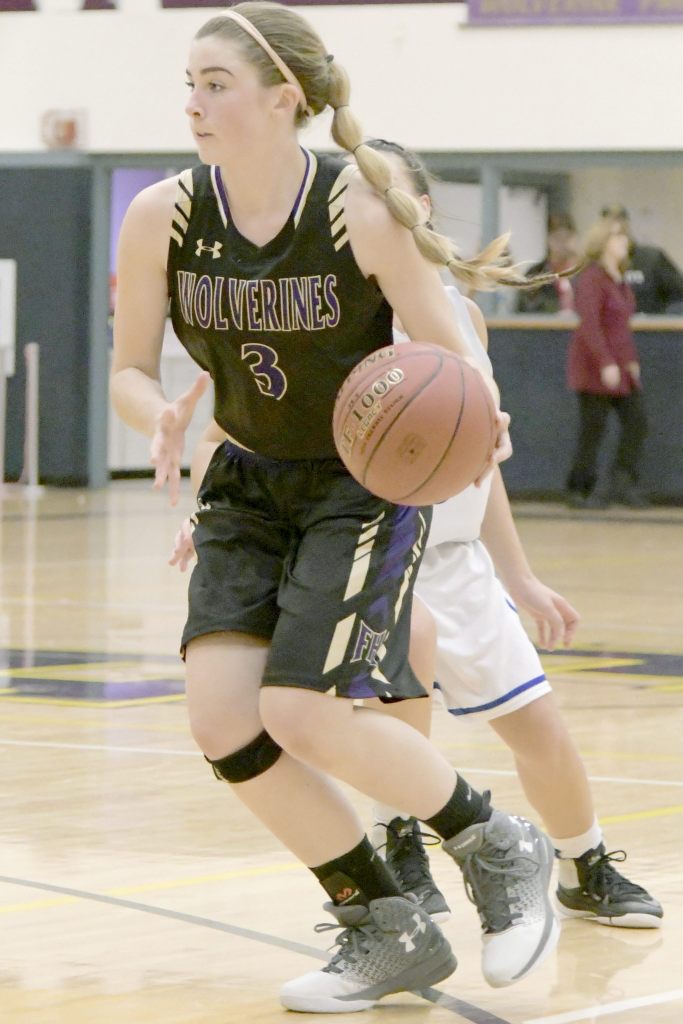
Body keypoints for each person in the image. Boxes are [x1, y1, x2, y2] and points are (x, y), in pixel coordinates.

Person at [110, 3, 563, 1012]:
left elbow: (446, 344)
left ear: (285, 99)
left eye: (214, 83)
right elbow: (129, 369)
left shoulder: (356, 204)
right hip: (244, 480)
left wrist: (470, 414)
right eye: (188, 81)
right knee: (225, 723)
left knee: (298, 707)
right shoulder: (162, 218)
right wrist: (159, 420)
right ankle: (383, 920)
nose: (192, 101)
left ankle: (498, 843)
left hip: (356, 483)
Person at [355, 140, 662, 932]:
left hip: (454, 559)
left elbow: (480, 466)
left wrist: (518, 575)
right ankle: (401, 856)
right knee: (401, 725)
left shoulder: (457, 315)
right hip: (375, 552)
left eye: (375, 195)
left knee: (540, 726)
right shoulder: (334, 320)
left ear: (416, 209)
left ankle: (583, 865)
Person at [565, 217, 649, 509]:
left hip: (621, 366)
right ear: (603, 243)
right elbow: (590, 324)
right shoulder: (592, 277)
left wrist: (629, 362)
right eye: (618, 238)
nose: (624, 243)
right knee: (593, 428)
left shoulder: (619, 278)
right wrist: (605, 362)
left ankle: (622, 481)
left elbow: (621, 326)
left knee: (637, 422)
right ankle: (580, 487)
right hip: (594, 365)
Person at [601, 203, 683, 315]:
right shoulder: (596, 264)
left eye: (620, 224)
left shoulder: (652, 258)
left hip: (651, 328)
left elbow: (679, 295)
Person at [516, 212, 580, 315]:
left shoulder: (586, 274)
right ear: (548, 240)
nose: (563, 243)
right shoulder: (535, 275)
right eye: (557, 238)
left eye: (568, 237)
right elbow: (525, 313)